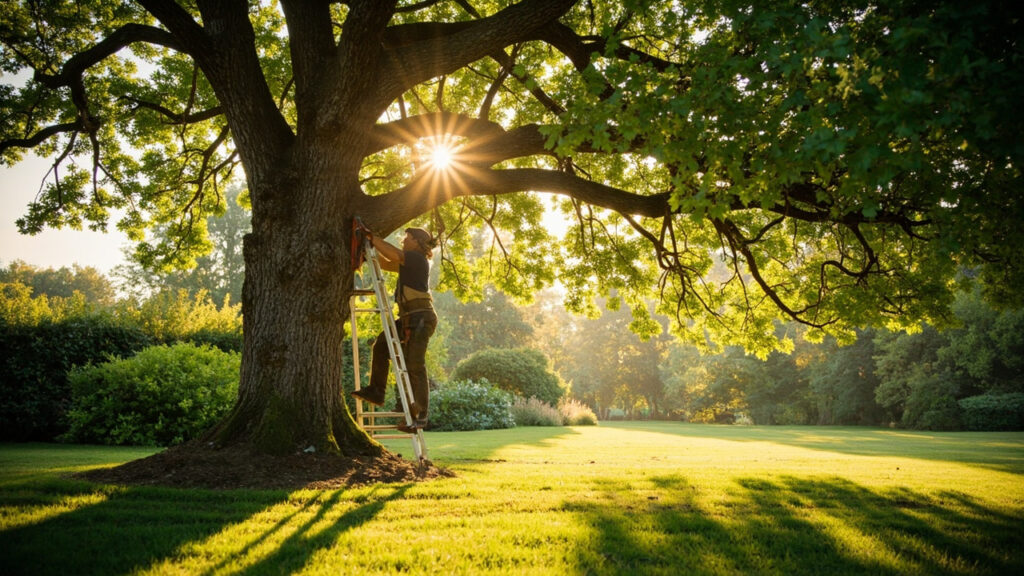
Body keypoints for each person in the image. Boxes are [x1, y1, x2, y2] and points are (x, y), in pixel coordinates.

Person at [352, 227, 438, 433]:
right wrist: (366, 256)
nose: (403, 241)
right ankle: (376, 391)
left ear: (417, 242)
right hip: (410, 317)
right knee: (381, 345)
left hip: (420, 318)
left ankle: (421, 415)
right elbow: (386, 263)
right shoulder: (408, 264)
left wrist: (372, 236)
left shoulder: (416, 259)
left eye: (407, 239)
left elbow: (394, 254)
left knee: (415, 364)